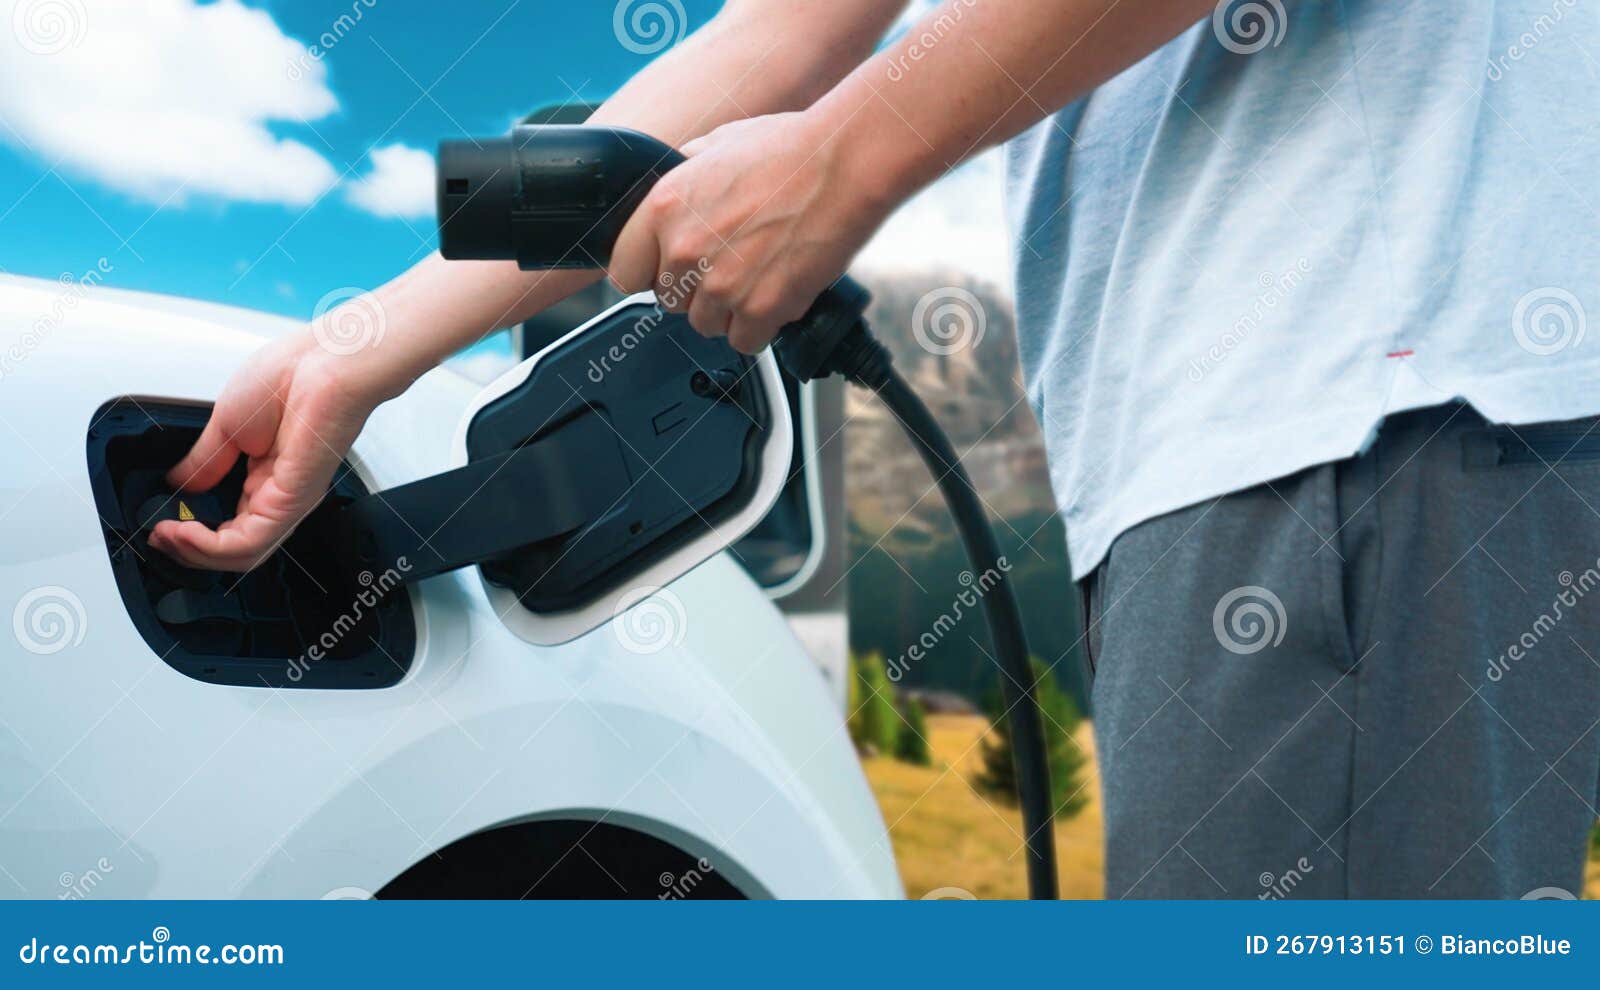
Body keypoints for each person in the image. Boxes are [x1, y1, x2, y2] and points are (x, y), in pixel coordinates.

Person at [152, 0, 1600, 899]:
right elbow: (783, 35)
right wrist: (359, 346)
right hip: (1231, 445)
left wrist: (844, 158)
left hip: (1356, 382)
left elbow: (814, 78)